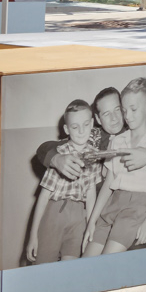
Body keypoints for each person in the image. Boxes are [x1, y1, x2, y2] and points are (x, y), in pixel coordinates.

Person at [88, 77, 146, 254]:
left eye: (133, 109)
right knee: (87, 260)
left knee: (107, 262)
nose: (127, 116)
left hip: (136, 206)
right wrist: (92, 221)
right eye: (125, 110)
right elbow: (109, 183)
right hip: (111, 204)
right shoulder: (117, 141)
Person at [23, 100, 102, 266]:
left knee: (70, 269)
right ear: (66, 129)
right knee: (43, 268)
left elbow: (91, 194)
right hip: (54, 213)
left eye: (86, 124)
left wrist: (90, 225)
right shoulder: (60, 155)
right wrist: (32, 236)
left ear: (92, 124)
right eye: (75, 127)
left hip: (79, 217)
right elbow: (43, 197)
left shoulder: (95, 155)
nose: (81, 131)